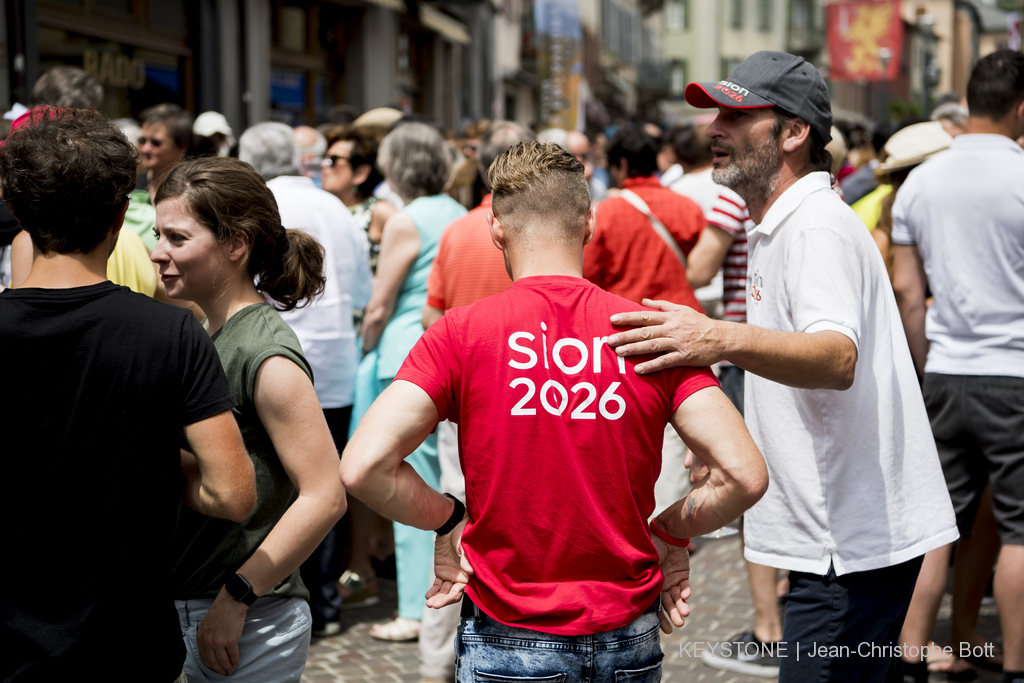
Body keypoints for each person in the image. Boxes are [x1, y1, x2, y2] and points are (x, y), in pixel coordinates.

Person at [340, 140, 768, 681]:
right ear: (588, 223)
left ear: (495, 227)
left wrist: (448, 519)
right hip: (627, 628)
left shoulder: (460, 333)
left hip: (508, 628)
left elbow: (362, 467)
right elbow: (746, 475)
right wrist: (670, 532)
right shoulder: (647, 333)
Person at [607, 51, 959, 682]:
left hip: (846, 548)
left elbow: (835, 357)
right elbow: (800, 370)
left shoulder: (814, 225)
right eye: (717, 112)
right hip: (837, 541)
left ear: (794, 132)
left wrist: (713, 338)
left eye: (737, 115)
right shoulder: (780, 223)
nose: (714, 128)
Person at [0, 108, 256, 682]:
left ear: (17, 209)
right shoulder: (171, 333)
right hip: (126, 645)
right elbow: (234, 492)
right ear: (122, 215)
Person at [153, 156, 347, 682]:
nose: (158, 253)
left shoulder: (267, 353)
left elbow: (326, 495)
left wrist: (237, 597)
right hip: (204, 610)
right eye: (158, 235)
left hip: (248, 621)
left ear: (235, 245)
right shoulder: (211, 334)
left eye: (177, 237)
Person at [891, 49, 1024, 683]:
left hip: (945, 369)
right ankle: (1018, 665)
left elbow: (909, 295)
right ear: (1022, 107)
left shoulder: (920, 182)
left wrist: (926, 367)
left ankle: (911, 655)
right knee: (1019, 528)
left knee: (938, 522)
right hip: (1015, 373)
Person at [239, 122, 373, 638]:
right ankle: (325, 602)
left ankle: (276, 596)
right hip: (333, 363)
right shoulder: (337, 208)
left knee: (281, 487)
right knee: (327, 483)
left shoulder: (259, 205)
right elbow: (361, 288)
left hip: (272, 360)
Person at [417, 119, 534, 682]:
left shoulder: (461, 230)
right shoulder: (552, 234)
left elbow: (429, 315)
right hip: (539, 399)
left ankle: (437, 657)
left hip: (465, 404)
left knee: (455, 522)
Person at [349, 121, 466, 642]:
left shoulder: (405, 219)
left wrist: (365, 344)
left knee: (404, 481)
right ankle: (445, 595)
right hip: (450, 351)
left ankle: (418, 611)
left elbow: (380, 302)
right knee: (443, 477)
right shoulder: (460, 215)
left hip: (404, 355)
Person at [583, 124, 705, 315]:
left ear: (622, 165)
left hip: (629, 323)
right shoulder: (688, 207)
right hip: (684, 320)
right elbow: (703, 267)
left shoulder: (604, 214)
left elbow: (587, 273)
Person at [321, 125, 398, 275]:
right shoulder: (322, 207)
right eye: (325, 158)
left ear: (361, 172)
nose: (324, 165)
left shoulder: (380, 211)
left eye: (334, 160)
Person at [139, 103, 193, 192]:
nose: (145, 149)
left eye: (155, 143)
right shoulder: (132, 186)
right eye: (142, 141)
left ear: (181, 146)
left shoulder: (192, 190)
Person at [566, 129, 608, 201]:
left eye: (583, 155)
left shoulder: (598, 186)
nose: (579, 160)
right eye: (573, 155)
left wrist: (586, 185)